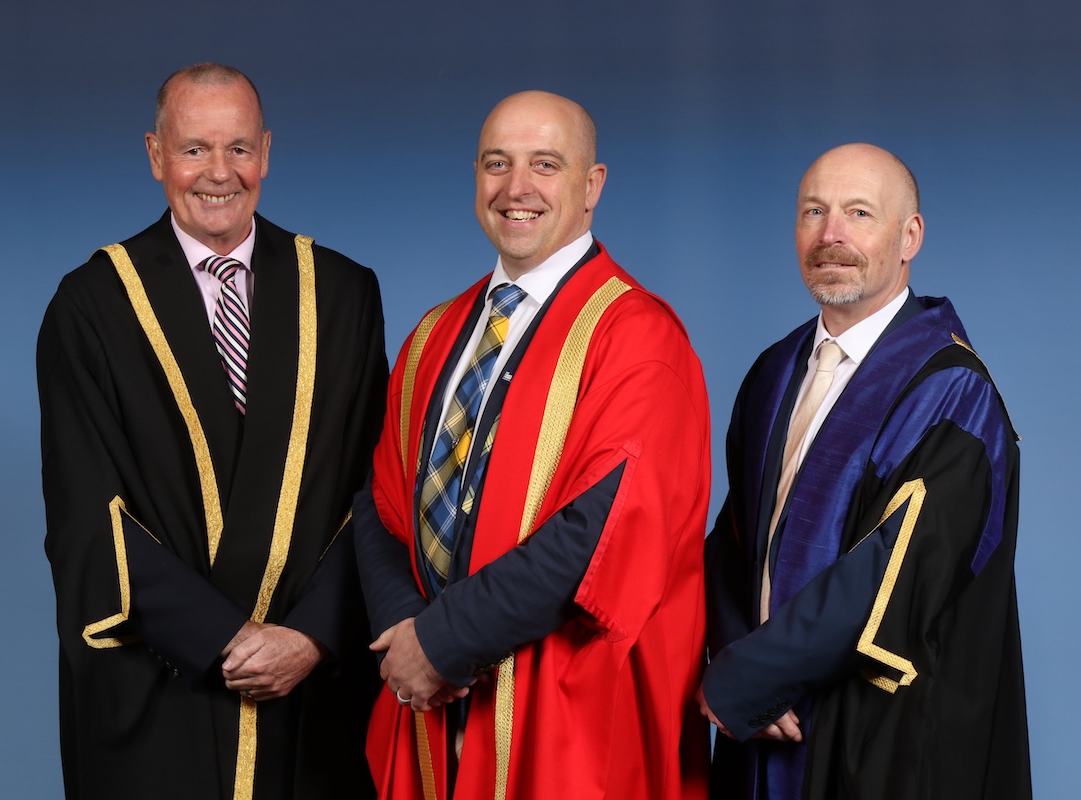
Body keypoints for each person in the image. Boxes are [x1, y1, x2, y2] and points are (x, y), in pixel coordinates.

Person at [37, 64, 387, 799]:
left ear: (266, 151)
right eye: (195, 149)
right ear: (155, 154)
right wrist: (225, 642)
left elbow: (374, 489)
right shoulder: (92, 305)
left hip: (308, 688)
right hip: (165, 684)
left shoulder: (343, 292)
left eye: (238, 149)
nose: (219, 174)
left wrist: (313, 637)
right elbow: (86, 518)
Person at [353, 90, 711, 799]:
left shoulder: (635, 336)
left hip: (561, 712)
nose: (516, 189)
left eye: (544, 165)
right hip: (429, 707)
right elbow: (380, 499)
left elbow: (600, 532)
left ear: (591, 185)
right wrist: (404, 631)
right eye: (497, 164)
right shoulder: (435, 334)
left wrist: (445, 643)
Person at [699, 143, 1031, 799]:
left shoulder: (953, 391)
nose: (831, 235)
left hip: (881, 735)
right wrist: (734, 660)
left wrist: (751, 678)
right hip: (767, 728)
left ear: (910, 236)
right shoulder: (773, 372)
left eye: (859, 213)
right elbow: (735, 542)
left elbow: (892, 570)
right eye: (813, 212)